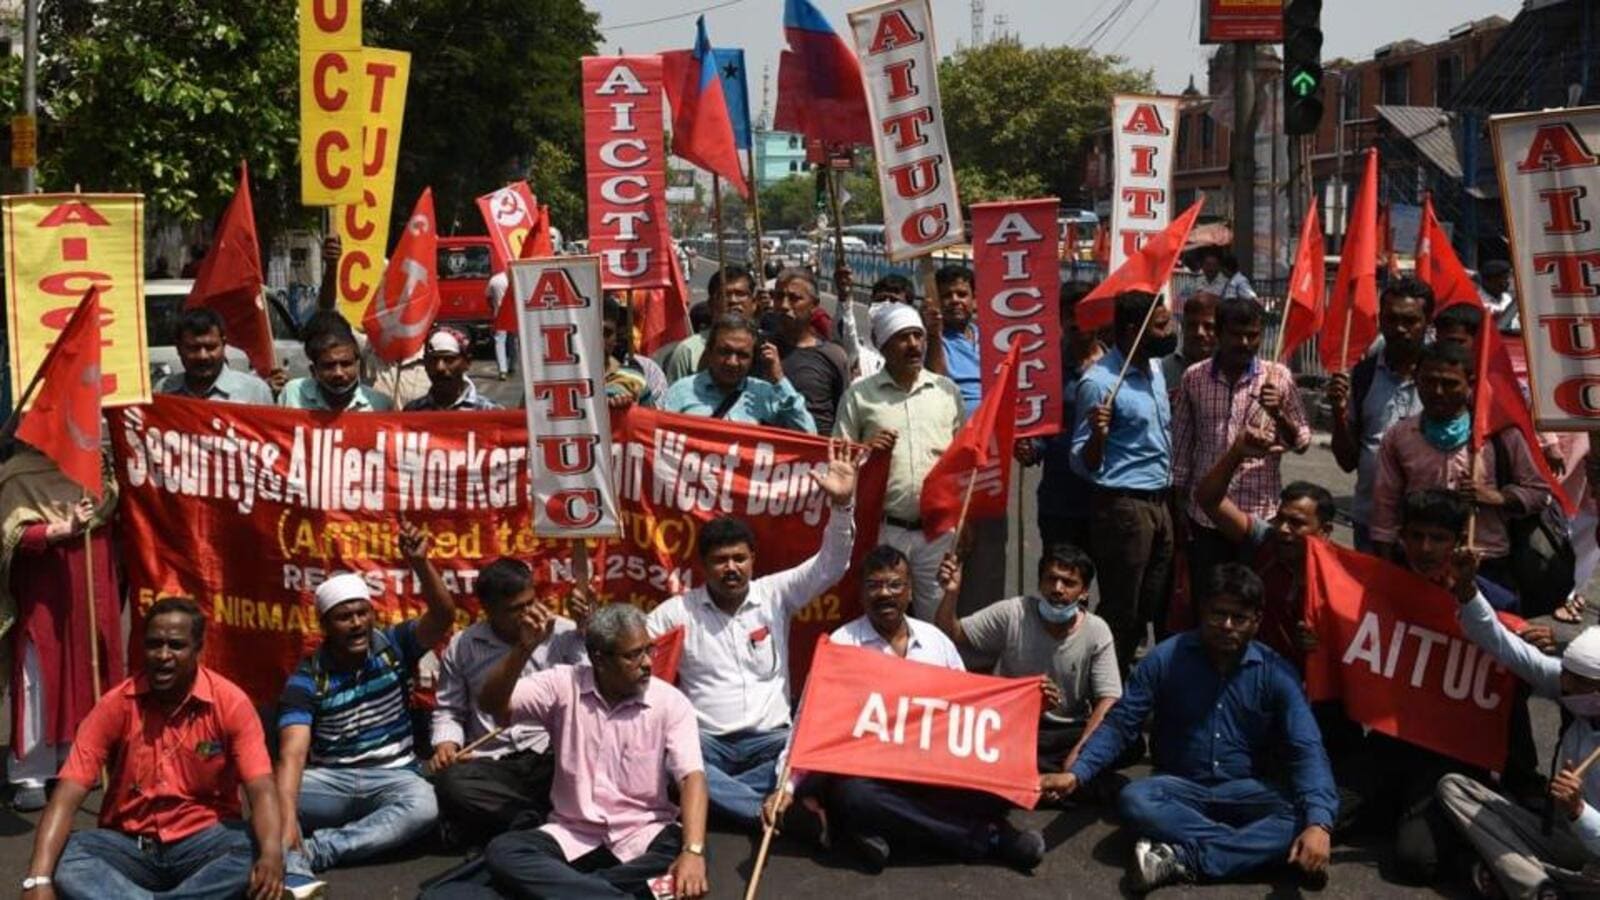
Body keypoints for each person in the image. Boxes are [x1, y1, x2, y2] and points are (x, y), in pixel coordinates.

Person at [1042, 564, 1336, 891]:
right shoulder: (1165, 658)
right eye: (1217, 614)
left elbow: (1307, 748)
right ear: (1202, 612)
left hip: (1246, 790)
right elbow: (1121, 724)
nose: (1226, 626)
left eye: (1238, 618)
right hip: (1178, 789)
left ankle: (1183, 858)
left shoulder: (1276, 672)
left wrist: (1320, 824)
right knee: (1135, 800)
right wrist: (1078, 773)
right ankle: (1252, 851)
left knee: (1302, 817)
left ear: (1256, 622)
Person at [762, 545, 1047, 874]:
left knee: (999, 793)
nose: (885, 594)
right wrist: (786, 788)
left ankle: (875, 831)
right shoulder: (842, 646)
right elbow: (808, 723)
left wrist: (1027, 710)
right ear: (862, 592)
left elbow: (969, 711)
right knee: (855, 797)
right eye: (875, 585)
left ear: (910, 590)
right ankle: (987, 839)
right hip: (870, 776)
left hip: (931, 770)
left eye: (895, 585)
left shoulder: (936, 641)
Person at [646, 438, 860, 828]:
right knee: (666, 761)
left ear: (752, 560)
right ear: (703, 566)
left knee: (821, 751)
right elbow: (632, 650)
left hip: (772, 741)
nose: (731, 568)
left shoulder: (774, 594)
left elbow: (831, 565)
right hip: (707, 743)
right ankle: (782, 811)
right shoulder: (676, 613)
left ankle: (719, 801)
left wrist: (842, 506)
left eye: (739, 559)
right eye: (720, 560)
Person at [23, 598, 284, 900]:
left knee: (260, 849)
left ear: (198, 649)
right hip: (129, 846)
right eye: (153, 644)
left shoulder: (230, 702)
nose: (163, 655)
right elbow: (67, 795)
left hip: (204, 843)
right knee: (67, 858)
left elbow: (262, 788)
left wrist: (271, 855)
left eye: (175, 645)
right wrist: (37, 880)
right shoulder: (115, 704)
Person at [469, 603, 711, 899]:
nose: (648, 662)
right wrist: (522, 649)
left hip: (644, 834)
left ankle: (566, 891)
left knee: (683, 858)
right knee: (505, 851)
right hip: (573, 834)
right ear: (599, 658)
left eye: (649, 650)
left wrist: (693, 852)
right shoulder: (562, 685)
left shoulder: (671, 703)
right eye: (633, 655)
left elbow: (691, 777)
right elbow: (492, 705)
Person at [275, 523, 453, 878]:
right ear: (325, 626)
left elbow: (444, 617)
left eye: (362, 613)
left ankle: (317, 850)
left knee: (423, 805)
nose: (356, 624)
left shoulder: (394, 647)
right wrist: (284, 819)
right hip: (331, 782)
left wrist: (420, 563)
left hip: (393, 777)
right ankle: (291, 853)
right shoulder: (307, 678)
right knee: (268, 797)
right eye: (344, 617)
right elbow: (293, 753)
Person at [1439, 550, 1600, 898]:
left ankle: (1521, 880)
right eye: (1565, 678)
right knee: (1455, 788)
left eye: (1576, 684)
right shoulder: (1566, 683)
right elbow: (1502, 643)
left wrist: (1579, 811)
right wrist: (1467, 589)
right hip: (1563, 836)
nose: (1563, 689)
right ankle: (1542, 886)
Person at [1369, 340, 1552, 593]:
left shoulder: (1500, 435)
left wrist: (1497, 497)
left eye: (1450, 383)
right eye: (1429, 381)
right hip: (1419, 565)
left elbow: (1539, 492)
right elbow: (1385, 508)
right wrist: (1386, 567)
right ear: (1416, 380)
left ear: (1471, 383)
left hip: (1484, 562)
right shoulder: (1399, 436)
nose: (1438, 391)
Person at [933, 543, 1122, 779]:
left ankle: (1029, 775)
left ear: (1084, 592)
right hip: (1012, 724)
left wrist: (1082, 753)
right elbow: (950, 633)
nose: (1057, 589)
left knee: (1123, 742)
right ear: (1040, 582)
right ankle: (1042, 777)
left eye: (1069, 583)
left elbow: (1108, 700)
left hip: (1066, 730)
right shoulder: (1014, 613)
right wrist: (951, 593)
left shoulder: (1097, 630)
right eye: (1051, 579)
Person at [431, 558, 585, 847]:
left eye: (530, 603)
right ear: (488, 611)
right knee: (452, 783)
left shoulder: (563, 632)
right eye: (516, 609)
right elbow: (449, 710)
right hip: (493, 762)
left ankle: (513, 825)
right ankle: (541, 823)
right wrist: (446, 745)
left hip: (550, 757)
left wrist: (586, 628)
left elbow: (592, 688)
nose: (528, 614)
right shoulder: (464, 644)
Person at [1, 447, 120, 812]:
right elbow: (9, 535)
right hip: (42, 585)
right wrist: (58, 529)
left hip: (92, 577)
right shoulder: (17, 473)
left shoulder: (97, 463)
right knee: (37, 672)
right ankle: (31, 771)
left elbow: (115, 511)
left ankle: (78, 757)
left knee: (88, 667)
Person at [834, 303, 965, 617]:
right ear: (884, 345)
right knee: (885, 614)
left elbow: (962, 460)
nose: (914, 345)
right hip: (884, 529)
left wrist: (964, 518)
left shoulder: (945, 391)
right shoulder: (860, 396)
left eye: (918, 336)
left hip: (937, 531)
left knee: (937, 619)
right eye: (903, 338)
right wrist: (866, 450)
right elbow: (838, 459)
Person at [1171, 297, 1311, 589]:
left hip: (1258, 518)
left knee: (1256, 598)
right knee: (1210, 599)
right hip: (1206, 516)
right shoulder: (1194, 378)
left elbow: (1301, 441)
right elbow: (1182, 449)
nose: (1246, 342)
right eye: (1237, 334)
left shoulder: (1279, 378)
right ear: (1219, 334)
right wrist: (1180, 508)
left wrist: (1279, 414)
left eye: (1253, 335)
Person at [1072, 291, 1178, 673]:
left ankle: (1122, 682)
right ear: (1134, 330)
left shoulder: (1154, 369)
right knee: (1121, 608)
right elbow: (1083, 463)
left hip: (1159, 503)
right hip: (1124, 508)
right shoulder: (1100, 383)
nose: (1170, 333)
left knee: (1149, 605)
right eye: (1162, 325)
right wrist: (1098, 436)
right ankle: (1100, 691)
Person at [1194, 426, 1334, 666]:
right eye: (1281, 518)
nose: (1283, 529)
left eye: (1296, 524)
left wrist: (1325, 644)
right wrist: (1237, 453)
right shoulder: (1264, 541)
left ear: (1325, 532)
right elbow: (1209, 500)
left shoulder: (1339, 577)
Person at [1328, 277, 1431, 551]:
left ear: (1427, 322)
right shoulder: (1363, 375)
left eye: (1410, 321)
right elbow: (1347, 461)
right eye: (1391, 319)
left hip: (1427, 532)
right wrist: (1338, 415)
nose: (1399, 329)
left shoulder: (1441, 377)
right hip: (1370, 523)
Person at [1017, 283, 1104, 551]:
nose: (1078, 323)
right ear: (1061, 318)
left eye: (1085, 314)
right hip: (1060, 499)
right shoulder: (1044, 368)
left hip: (1106, 500)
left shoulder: (1119, 367)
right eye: (1070, 315)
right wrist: (1028, 448)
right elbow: (1041, 429)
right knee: (1059, 584)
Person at [660, 315, 816, 432]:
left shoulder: (766, 395)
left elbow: (808, 435)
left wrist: (779, 380)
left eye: (742, 355)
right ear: (709, 351)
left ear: (753, 357)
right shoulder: (681, 392)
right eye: (724, 352)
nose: (732, 362)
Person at [771, 269, 850, 434]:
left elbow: (845, 419)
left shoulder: (833, 356)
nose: (784, 306)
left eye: (794, 299)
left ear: (814, 305)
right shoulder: (756, 350)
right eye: (778, 297)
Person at [278, 310, 394, 411]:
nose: (338, 373)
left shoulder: (379, 405)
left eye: (346, 364)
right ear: (313, 371)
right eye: (328, 366)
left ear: (357, 365)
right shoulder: (292, 395)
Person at [157, 307, 278, 403]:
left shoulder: (255, 392)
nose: (203, 356)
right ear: (179, 348)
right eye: (194, 348)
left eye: (210, 347)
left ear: (224, 344)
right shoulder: (163, 391)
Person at [658, 265, 755, 383]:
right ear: (711, 304)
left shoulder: (765, 345)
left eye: (740, 294)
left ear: (753, 303)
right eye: (725, 295)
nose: (733, 301)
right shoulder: (688, 351)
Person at [835, 271, 915, 379]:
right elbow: (845, 331)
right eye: (880, 301)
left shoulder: (915, 353)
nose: (886, 306)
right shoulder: (861, 356)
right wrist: (844, 297)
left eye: (894, 302)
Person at [406, 326, 501, 411]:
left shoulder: (490, 412)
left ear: (467, 363)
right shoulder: (412, 412)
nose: (440, 367)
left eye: (449, 359)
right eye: (433, 359)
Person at [602, 295, 669, 408]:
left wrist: (628, 413)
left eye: (606, 333)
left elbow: (650, 422)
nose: (599, 340)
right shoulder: (566, 378)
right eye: (593, 331)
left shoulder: (636, 380)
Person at [1161, 291, 1219, 392]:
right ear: (1183, 326)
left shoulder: (1232, 373)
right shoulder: (1162, 370)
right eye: (1192, 325)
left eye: (1209, 326)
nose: (1199, 332)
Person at [487, 270, 514, 380]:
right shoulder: (517, 279)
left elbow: (488, 297)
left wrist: (494, 308)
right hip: (514, 314)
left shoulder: (495, 280)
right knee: (514, 341)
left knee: (500, 341)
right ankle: (512, 365)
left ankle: (502, 370)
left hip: (500, 314)